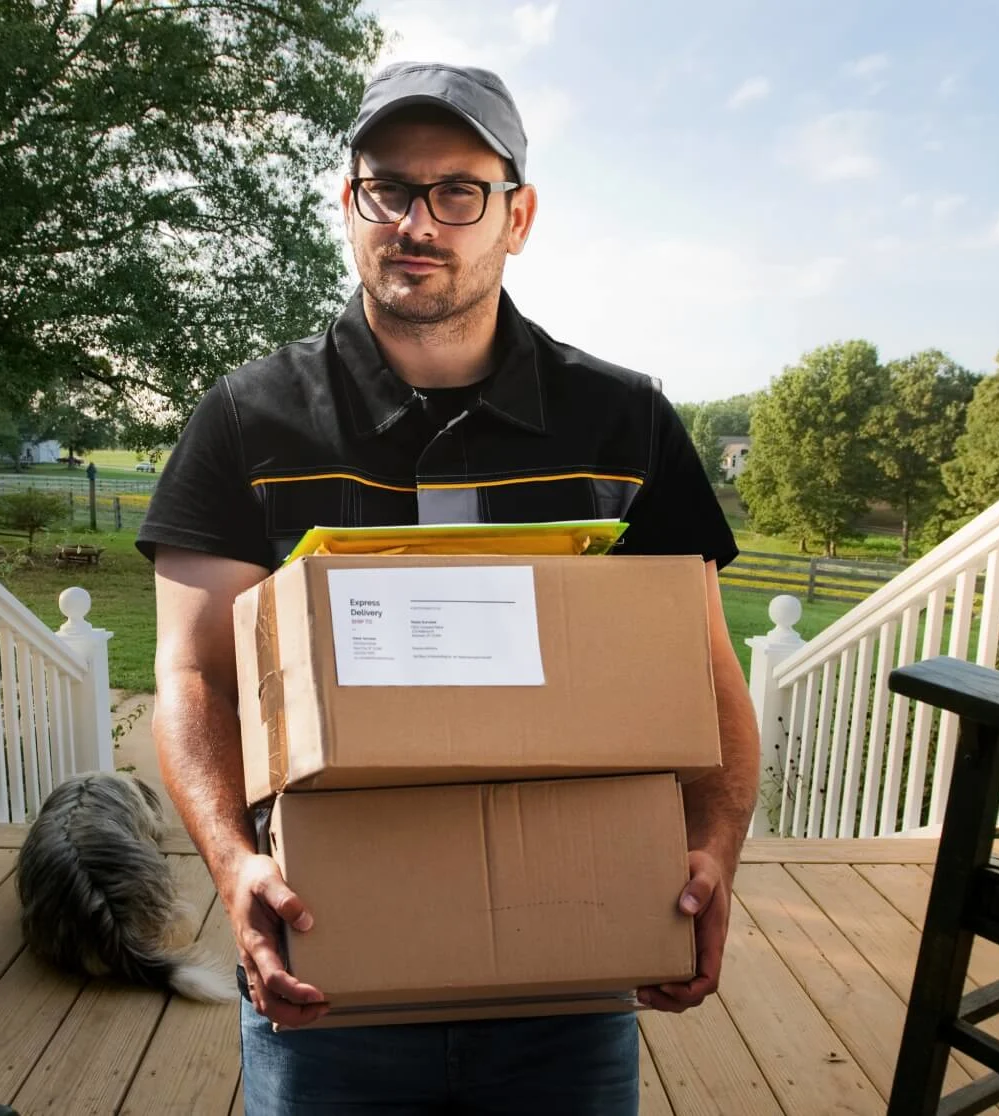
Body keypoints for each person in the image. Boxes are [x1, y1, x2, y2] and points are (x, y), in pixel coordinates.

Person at [137, 61, 760, 1115]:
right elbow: (194, 678)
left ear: (516, 219)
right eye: (388, 188)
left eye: (458, 192)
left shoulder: (623, 420)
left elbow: (702, 674)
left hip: (572, 971)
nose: (416, 222)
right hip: (329, 971)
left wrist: (712, 850)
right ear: (349, 205)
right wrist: (233, 865)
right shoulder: (248, 419)